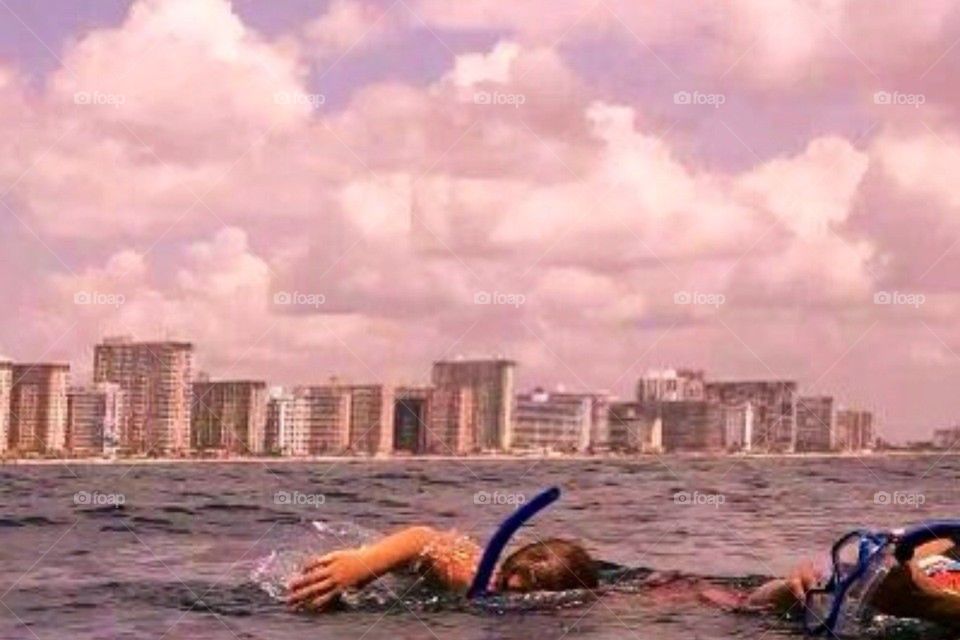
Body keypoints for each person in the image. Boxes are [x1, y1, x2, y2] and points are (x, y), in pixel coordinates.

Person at [286, 524, 960, 627]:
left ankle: (798, 586)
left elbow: (722, 605)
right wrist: (360, 564)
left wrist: (784, 594)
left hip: (669, 595)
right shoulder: (487, 584)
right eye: (508, 586)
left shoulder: (590, 602)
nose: (507, 596)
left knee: (736, 609)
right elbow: (428, 539)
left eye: (526, 593)